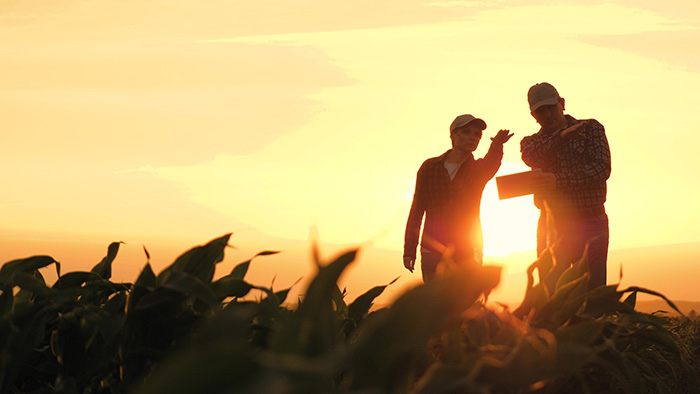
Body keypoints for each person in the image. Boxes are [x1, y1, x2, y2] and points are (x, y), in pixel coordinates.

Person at [520, 82, 611, 290]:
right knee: (551, 293)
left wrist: (558, 181)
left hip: (590, 222)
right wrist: (561, 137)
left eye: (550, 107)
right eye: (540, 111)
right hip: (552, 226)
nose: (547, 114)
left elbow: (601, 169)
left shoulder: (591, 128)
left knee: (591, 292)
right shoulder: (530, 143)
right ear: (533, 115)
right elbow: (532, 158)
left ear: (562, 103)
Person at [403, 114, 513, 281]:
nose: (473, 138)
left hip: (467, 250)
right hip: (432, 250)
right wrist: (409, 250)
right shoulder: (429, 167)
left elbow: (492, 162)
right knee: (435, 303)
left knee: (464, 304)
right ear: (453, 135)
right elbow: (417, 210)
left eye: (477, 135)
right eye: (466, 132)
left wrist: (497, 144)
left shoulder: (478, 170)